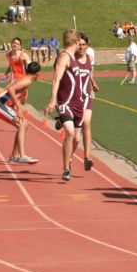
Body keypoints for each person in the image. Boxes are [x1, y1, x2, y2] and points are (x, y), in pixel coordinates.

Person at [45, 29, 88, 182]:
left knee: (77, 139)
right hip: (65, 102)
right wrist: (53, 100)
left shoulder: (75, 57)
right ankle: (66, 169)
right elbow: (56, 79)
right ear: (76, 42)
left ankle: (68, 157)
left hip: (78, 103)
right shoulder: (64, 57)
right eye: (79, 42)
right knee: (69, 132)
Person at [0, 61, 43, 164]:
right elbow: (11, 90)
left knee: (24, 124)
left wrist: (15, 107)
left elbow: (13, 95)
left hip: (1, 104)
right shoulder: (27, 81)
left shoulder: (24, 79)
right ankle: (22, 156)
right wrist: (19, 108)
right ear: (37, 74)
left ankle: (14, 156)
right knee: (22, 125)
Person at [79, 34, 98, 171]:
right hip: (72, 97)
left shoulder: (89, 58)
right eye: (79, 44)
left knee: (86, 123)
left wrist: (93, 83)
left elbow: (88, 73)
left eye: (83, 44)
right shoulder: (69, 58)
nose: (81, 46)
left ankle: (87, 157)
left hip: (86, 94)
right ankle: (67, 162)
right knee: (73, 136)